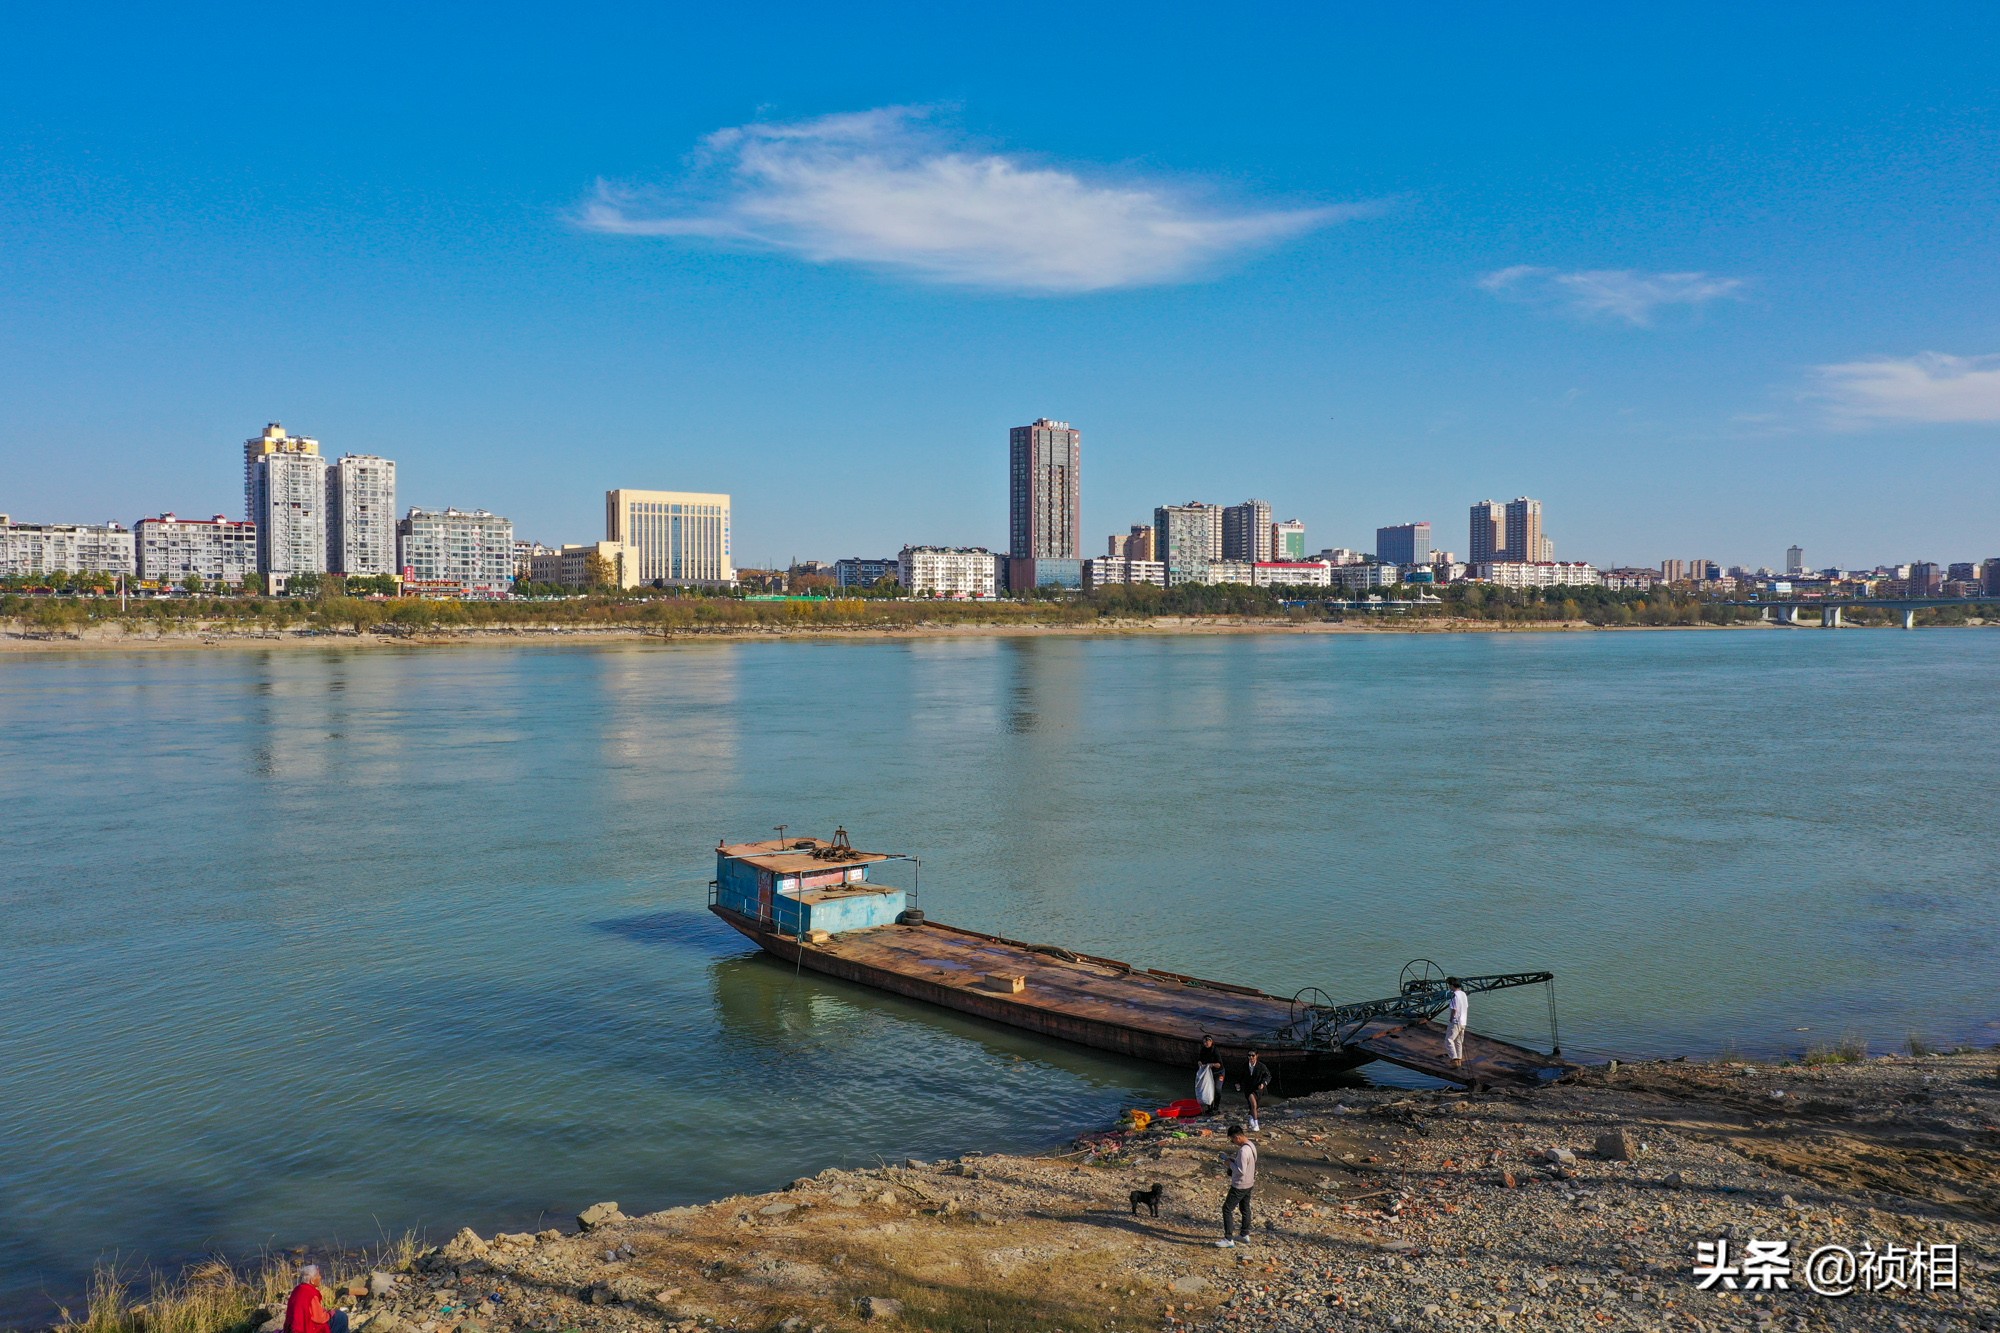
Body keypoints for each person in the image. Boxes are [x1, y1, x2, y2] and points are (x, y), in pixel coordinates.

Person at [1216, 1123, 1258, 1247]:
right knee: (1245, 1208)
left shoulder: (1243, 1150)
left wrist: (1229, 1163)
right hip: (1249, 1182)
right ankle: (1244, 1234)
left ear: (1237, 1137)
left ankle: (1228, 1239)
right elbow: (1249, 1163)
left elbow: (1240, 1170)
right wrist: (1234, 1161)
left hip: (1240, 1184)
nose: (1234, 1142)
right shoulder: (1251, 1145)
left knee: (1227, 1209)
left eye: (1232, 1140)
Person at [284, 1265, 349, 1333]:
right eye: (318, 1275)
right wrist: (330, 1314)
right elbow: (319, 1318)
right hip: (307, 1329)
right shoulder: (311, 1293)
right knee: (341, 1316)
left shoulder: (297, 1289)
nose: (320, 1277)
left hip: (292, 1327)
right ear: (312, 1280)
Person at [1241, 1049, 1271, 1132]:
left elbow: (1268, 1076)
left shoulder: (1261, 1066)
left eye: (1253, 1055)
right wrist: (1238, 1083)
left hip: (1258, 1089)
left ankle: (1251, 1116)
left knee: (1255, 1105)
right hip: (1248, 1088)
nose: (1251, 1057)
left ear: (1256, 1056)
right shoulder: (1245, 1065)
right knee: (1253, 1104)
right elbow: (1241, 1076)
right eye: (1249, 1055)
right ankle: (1256, 1124)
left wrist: (1263, 1083)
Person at [1195, 1037, 1225, 1116]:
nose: (1206, 1044)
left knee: (1217, 1089)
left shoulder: (1215, 1050)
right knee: (1208, 1089)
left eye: (1207, 1042)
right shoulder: (1203, 1050)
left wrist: (1212, 1064)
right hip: (1208, 1073)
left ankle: (1216, 1107)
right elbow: (1199, 1059)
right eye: (1204, 1042)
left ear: (1211, 1042)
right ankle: (1210, 1108)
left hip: (1219, 1073)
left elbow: (1219, 1064)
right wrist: (1200, 1063)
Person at [1445, 976, 1469, 1068]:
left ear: (1452, 985)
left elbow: (1454, 1009)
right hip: (1463, 1022)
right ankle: (1459, 1060)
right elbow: (1466, 1007)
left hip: (1455, 1022)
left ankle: (1454, 1060)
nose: (1449, 987)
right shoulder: (1463, 994)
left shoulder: (1455, 995)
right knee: (1459, 1041)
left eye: (1449, 985)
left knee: (1449, 1040)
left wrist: (1451, 1019)